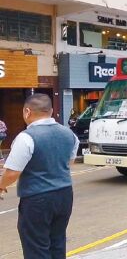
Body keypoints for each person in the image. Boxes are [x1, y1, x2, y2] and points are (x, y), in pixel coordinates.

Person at [0, 94, 79, 259]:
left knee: (36, 247)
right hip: (65, 195)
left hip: (37, 199)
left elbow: (12, 172)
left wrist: (1, 186)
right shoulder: (69, 134)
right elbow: (69, 162)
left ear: (27, 112)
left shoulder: (26, 137)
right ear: (50, 111)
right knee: (57, 242)